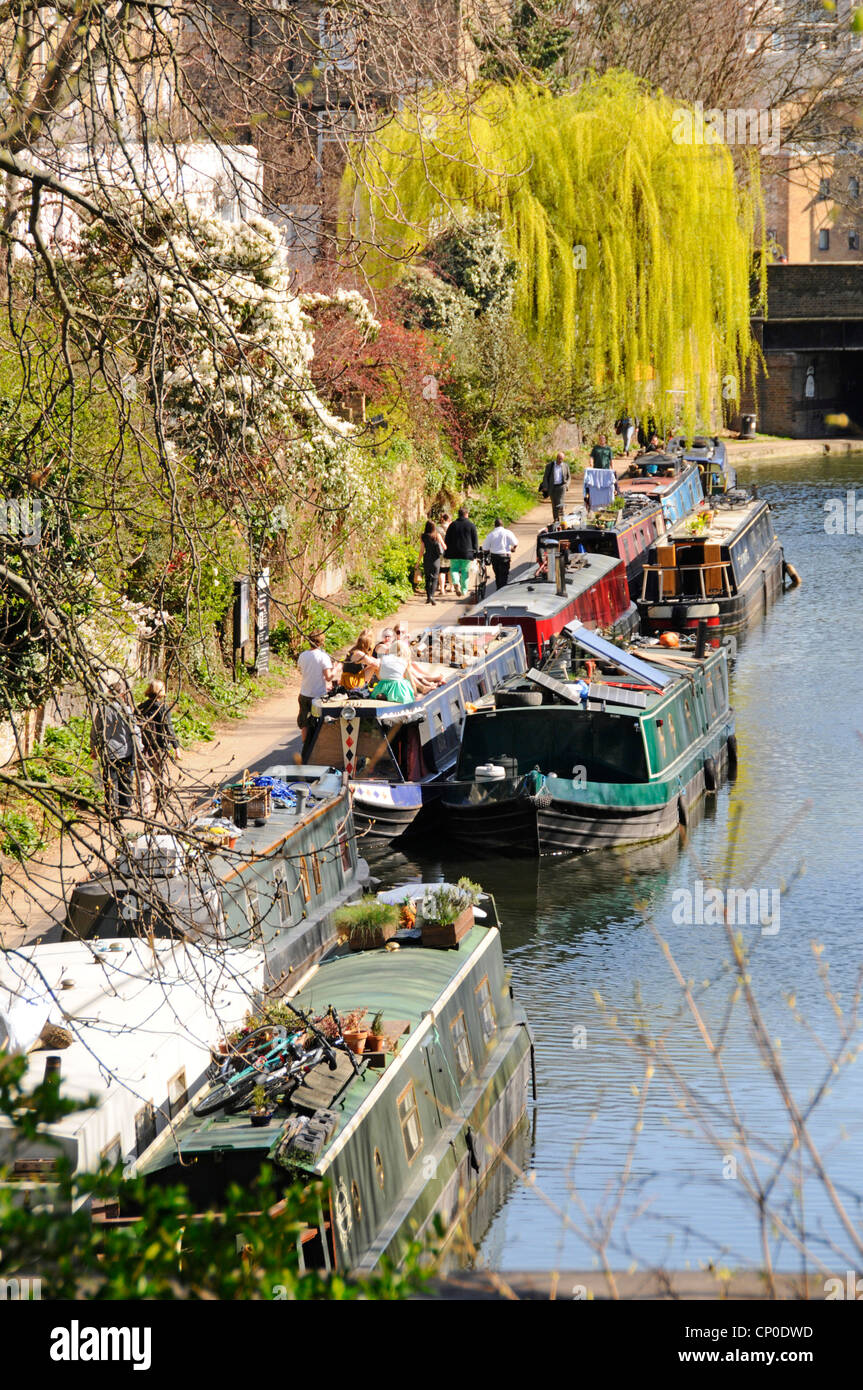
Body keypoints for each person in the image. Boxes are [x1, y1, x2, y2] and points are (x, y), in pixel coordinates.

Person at [90, 675, 143, 817]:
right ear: (121, 695)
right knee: (125, 780)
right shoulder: (126, 710)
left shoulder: (103, 710)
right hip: (126, 751)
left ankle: (111, 808)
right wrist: (140, 747)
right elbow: (135, 730)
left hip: (109, 752)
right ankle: (125, 809)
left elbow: (95, 730)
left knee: (110, 780)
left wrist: (93, 748)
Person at [137, 679, 179, 814]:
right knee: (162, 776)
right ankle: (162, 804)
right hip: (159, 747)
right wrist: (176, 747)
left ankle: (145, 808)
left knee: (144, 778)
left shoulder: (140, 708)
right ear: (161, 694)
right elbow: (169, 728)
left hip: (143, 747)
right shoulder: (163, 709)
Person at [297, 631, 337, 751]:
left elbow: (303, 670)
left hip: (304, 693)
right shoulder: (322, 656)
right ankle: (318, 748)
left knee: (304, 723)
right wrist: (336, 668)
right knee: (320, 722)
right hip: (318, 695)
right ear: (322, 642)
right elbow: (329, 676)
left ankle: (305, 747)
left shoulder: (303, 655)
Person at [444, 507, 478, 598]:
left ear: (458, 514)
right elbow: (475, 540)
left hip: (454, 553)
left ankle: (455, 583)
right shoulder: (471, 525)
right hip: (467, 553)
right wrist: (475, 552)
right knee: (465, 572)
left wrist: (447, 551)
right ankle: (464, 590)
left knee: (454, 569)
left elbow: (447, 539)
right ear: (466, 514)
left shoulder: (452, 525)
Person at [481, 516, 519, 590]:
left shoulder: (491, 534)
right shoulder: (508, 532)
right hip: (505, 557)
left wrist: (489, 550)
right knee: (504, 575)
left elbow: (485, 548)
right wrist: (513, 549)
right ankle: (502, 589)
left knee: (497, 575)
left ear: (495, 525)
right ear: (502, 525)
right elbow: (515, 543)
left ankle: (498, 588)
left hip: (495, 557)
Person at [418, 519, 444, 605]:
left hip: (427, 559)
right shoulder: (437, 535)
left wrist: (418, 562)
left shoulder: (423, 536)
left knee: (427, 579)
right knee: (435, 578)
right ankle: (432, 596)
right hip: (436, 560)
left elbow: (421, 550)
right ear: (434, 527)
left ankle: (428, 597)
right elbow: (444, 547)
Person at [540, 452, 571, 521]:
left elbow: (569, 477)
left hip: (561, 487)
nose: (560, 461)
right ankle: (556, 520)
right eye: (559, 459)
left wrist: (567, 485)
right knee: (554, 504)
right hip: (552, 487)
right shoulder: (550, 466)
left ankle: (562, 520)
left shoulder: (565, 466)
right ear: (556, 458)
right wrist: (545, 486)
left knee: (560, 503)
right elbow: (545, 477)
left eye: (562, 459)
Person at [437, 512, 452, 595]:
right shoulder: (452, 527)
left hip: (441, 551)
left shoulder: (438, 528)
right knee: (450, 570)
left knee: (442, 571)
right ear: (449, 519)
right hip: (451, 550)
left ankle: (442, 589)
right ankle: (451, 587)